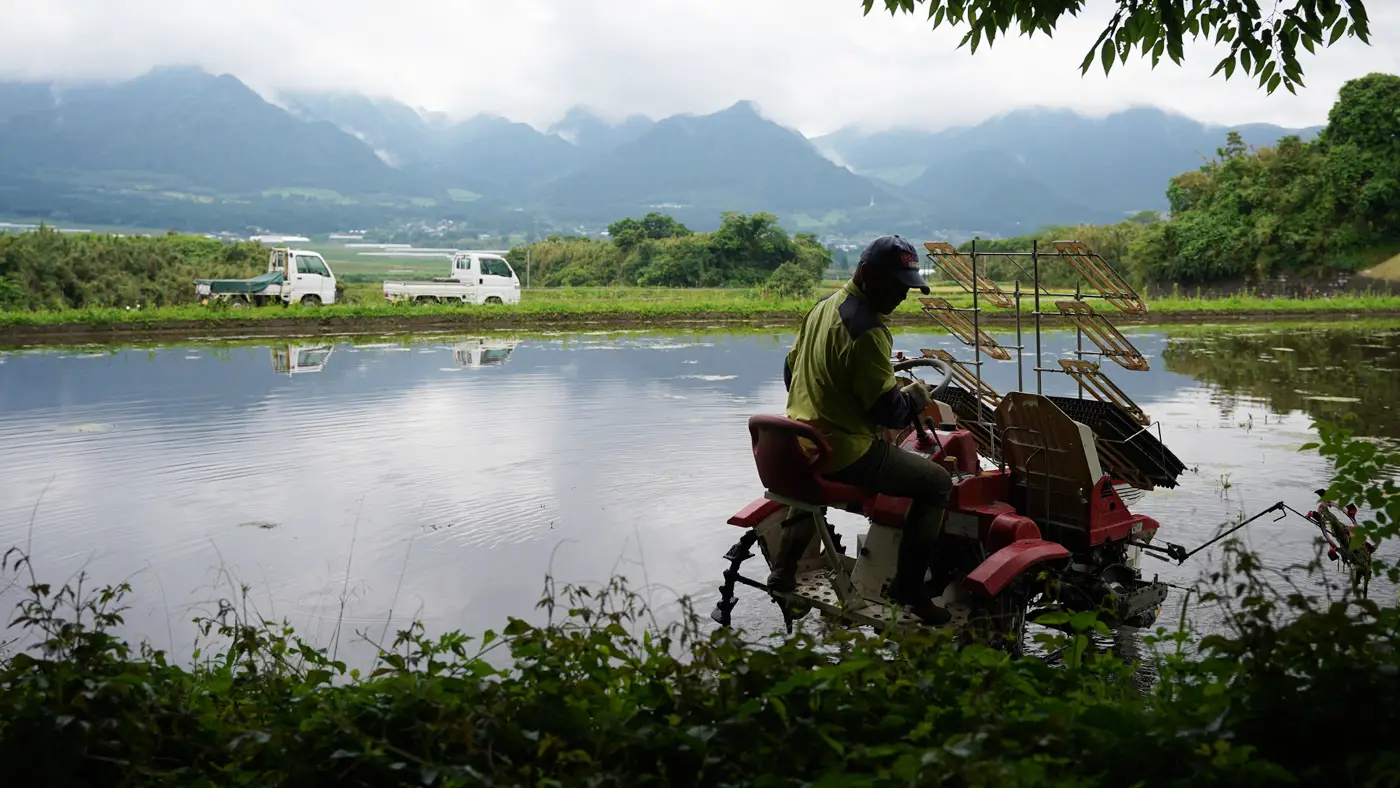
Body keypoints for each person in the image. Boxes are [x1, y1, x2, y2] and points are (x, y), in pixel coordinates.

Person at [769, 235, 953, 624]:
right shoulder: (868, 330)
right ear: (867, 274)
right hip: (847, 453)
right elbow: (891, 414)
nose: (902, 296)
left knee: (809, 482)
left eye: (908, 287)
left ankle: (783, 569)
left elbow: (790, 369)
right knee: (937, 482)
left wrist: (830, 401)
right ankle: (908, 587)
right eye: (897, 285)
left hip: (801, 443)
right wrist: (915, 397)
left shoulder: (822, 307)